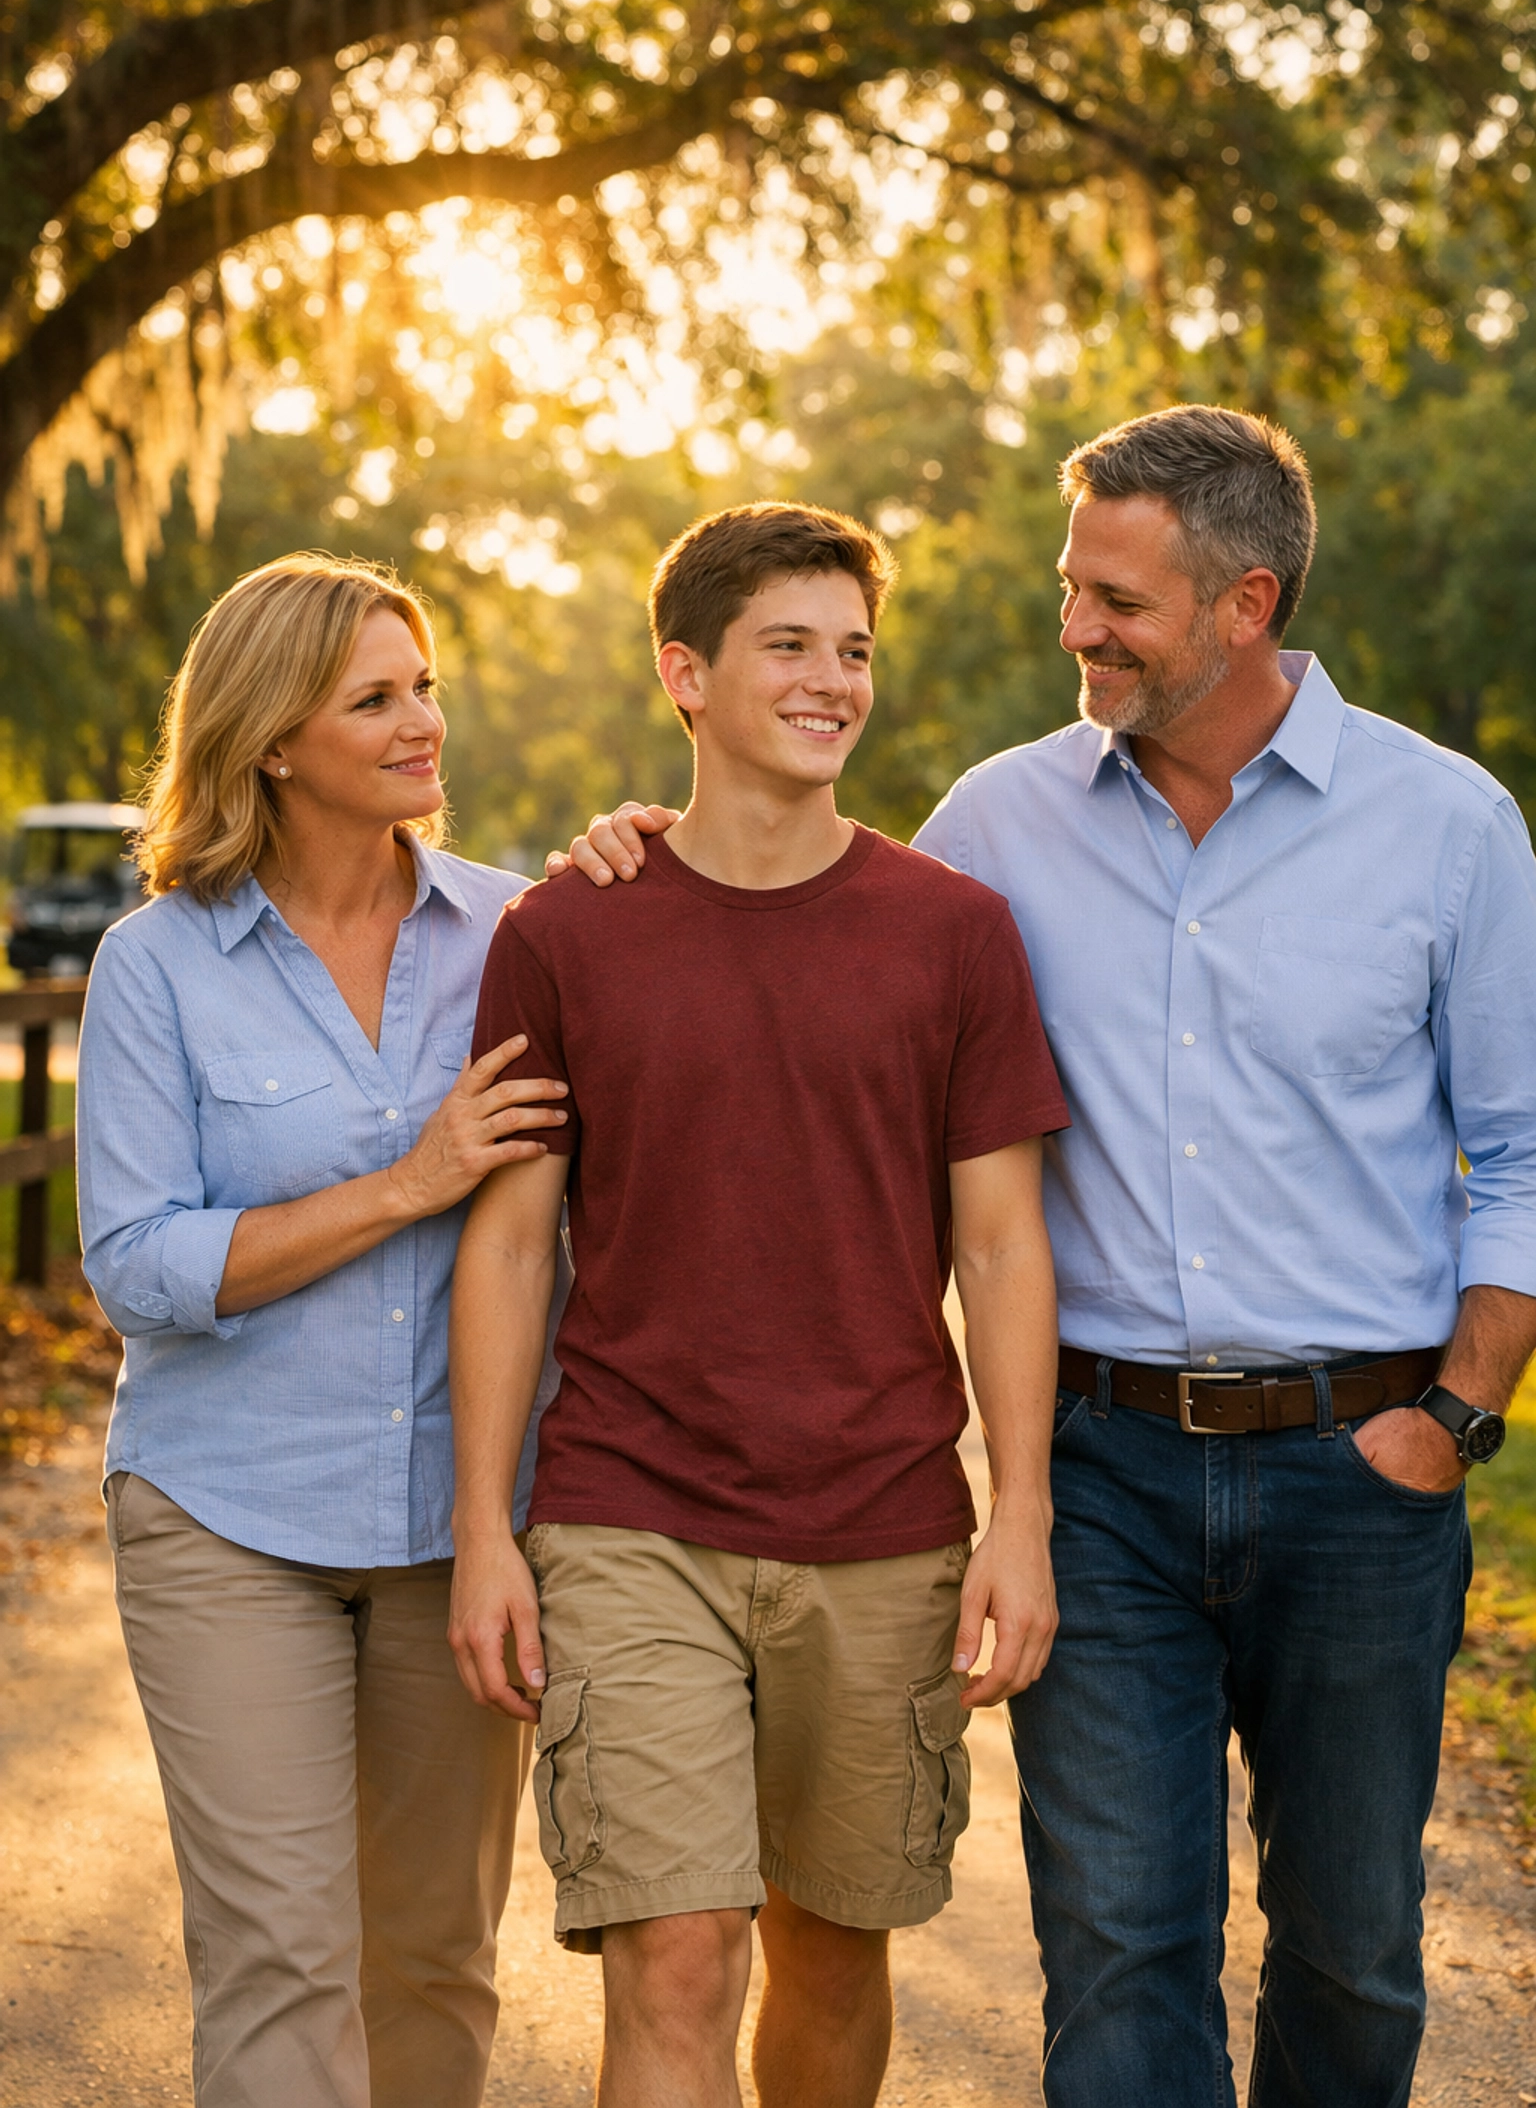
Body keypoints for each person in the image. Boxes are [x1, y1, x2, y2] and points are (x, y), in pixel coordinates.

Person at [553, 407, 1536, 2107]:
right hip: (1097, 1471)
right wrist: (624, 860)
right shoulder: (997, 823)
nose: (1073, 626)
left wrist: (1452, 1415)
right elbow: (800, 952)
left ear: (1246, 604)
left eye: (1117, 600)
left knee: (1355, 1948)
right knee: (1122, 1950)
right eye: (1069, 586)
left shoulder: (1448, 827)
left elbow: (1519, 1154)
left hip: (1362, 1469)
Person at [448, 500, 1069, 2108]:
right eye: (788, 644)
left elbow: (1000, 1249)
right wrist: (482, 1528)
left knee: (832, 1948)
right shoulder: (565, 929)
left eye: (853, 650)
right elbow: (512, 1248)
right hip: (628, 1514)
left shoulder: (955, 935)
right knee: (677, 1954)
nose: (831, 680)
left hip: (883, 1521)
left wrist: (1021, 1518)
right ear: (686, 674)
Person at [74, 555, 599, 2108]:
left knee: (435, 1956)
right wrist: (409, 1182)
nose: (422, 719)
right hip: (227, 1514)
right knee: (279, 1956)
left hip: (461, 1524)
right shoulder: (155, 965)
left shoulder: (524, 929)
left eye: (423, 683)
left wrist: (654, 849)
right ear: (272, 740)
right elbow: (140, 1267)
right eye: (374, 697)